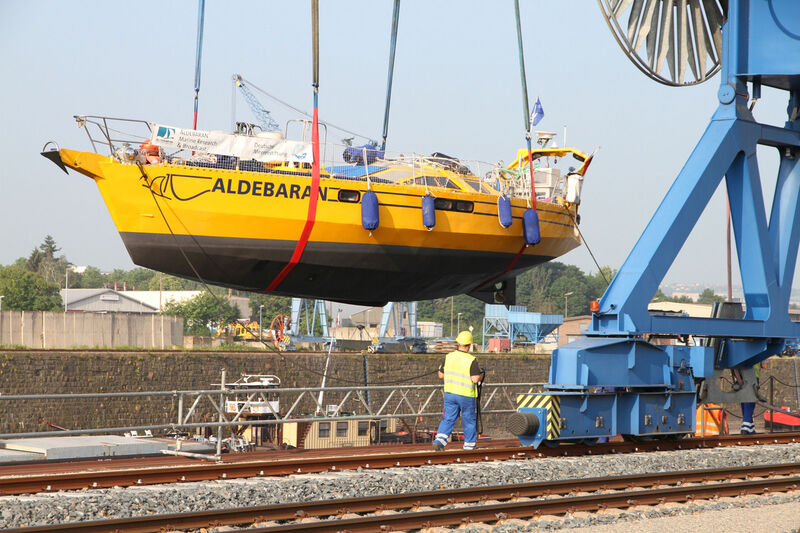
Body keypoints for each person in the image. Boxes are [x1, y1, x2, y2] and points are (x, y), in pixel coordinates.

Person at [433, 330, 482, 451]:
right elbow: (475, 379)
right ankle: (469, 445)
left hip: (450, 394)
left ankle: (440, 440)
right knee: (469, 420)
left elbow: (441, 374)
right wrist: (480, 375)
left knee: (448, 418)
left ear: (458, 343)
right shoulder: (471, 360)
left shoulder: (448, 357)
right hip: (466, 395)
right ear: (469, 345)